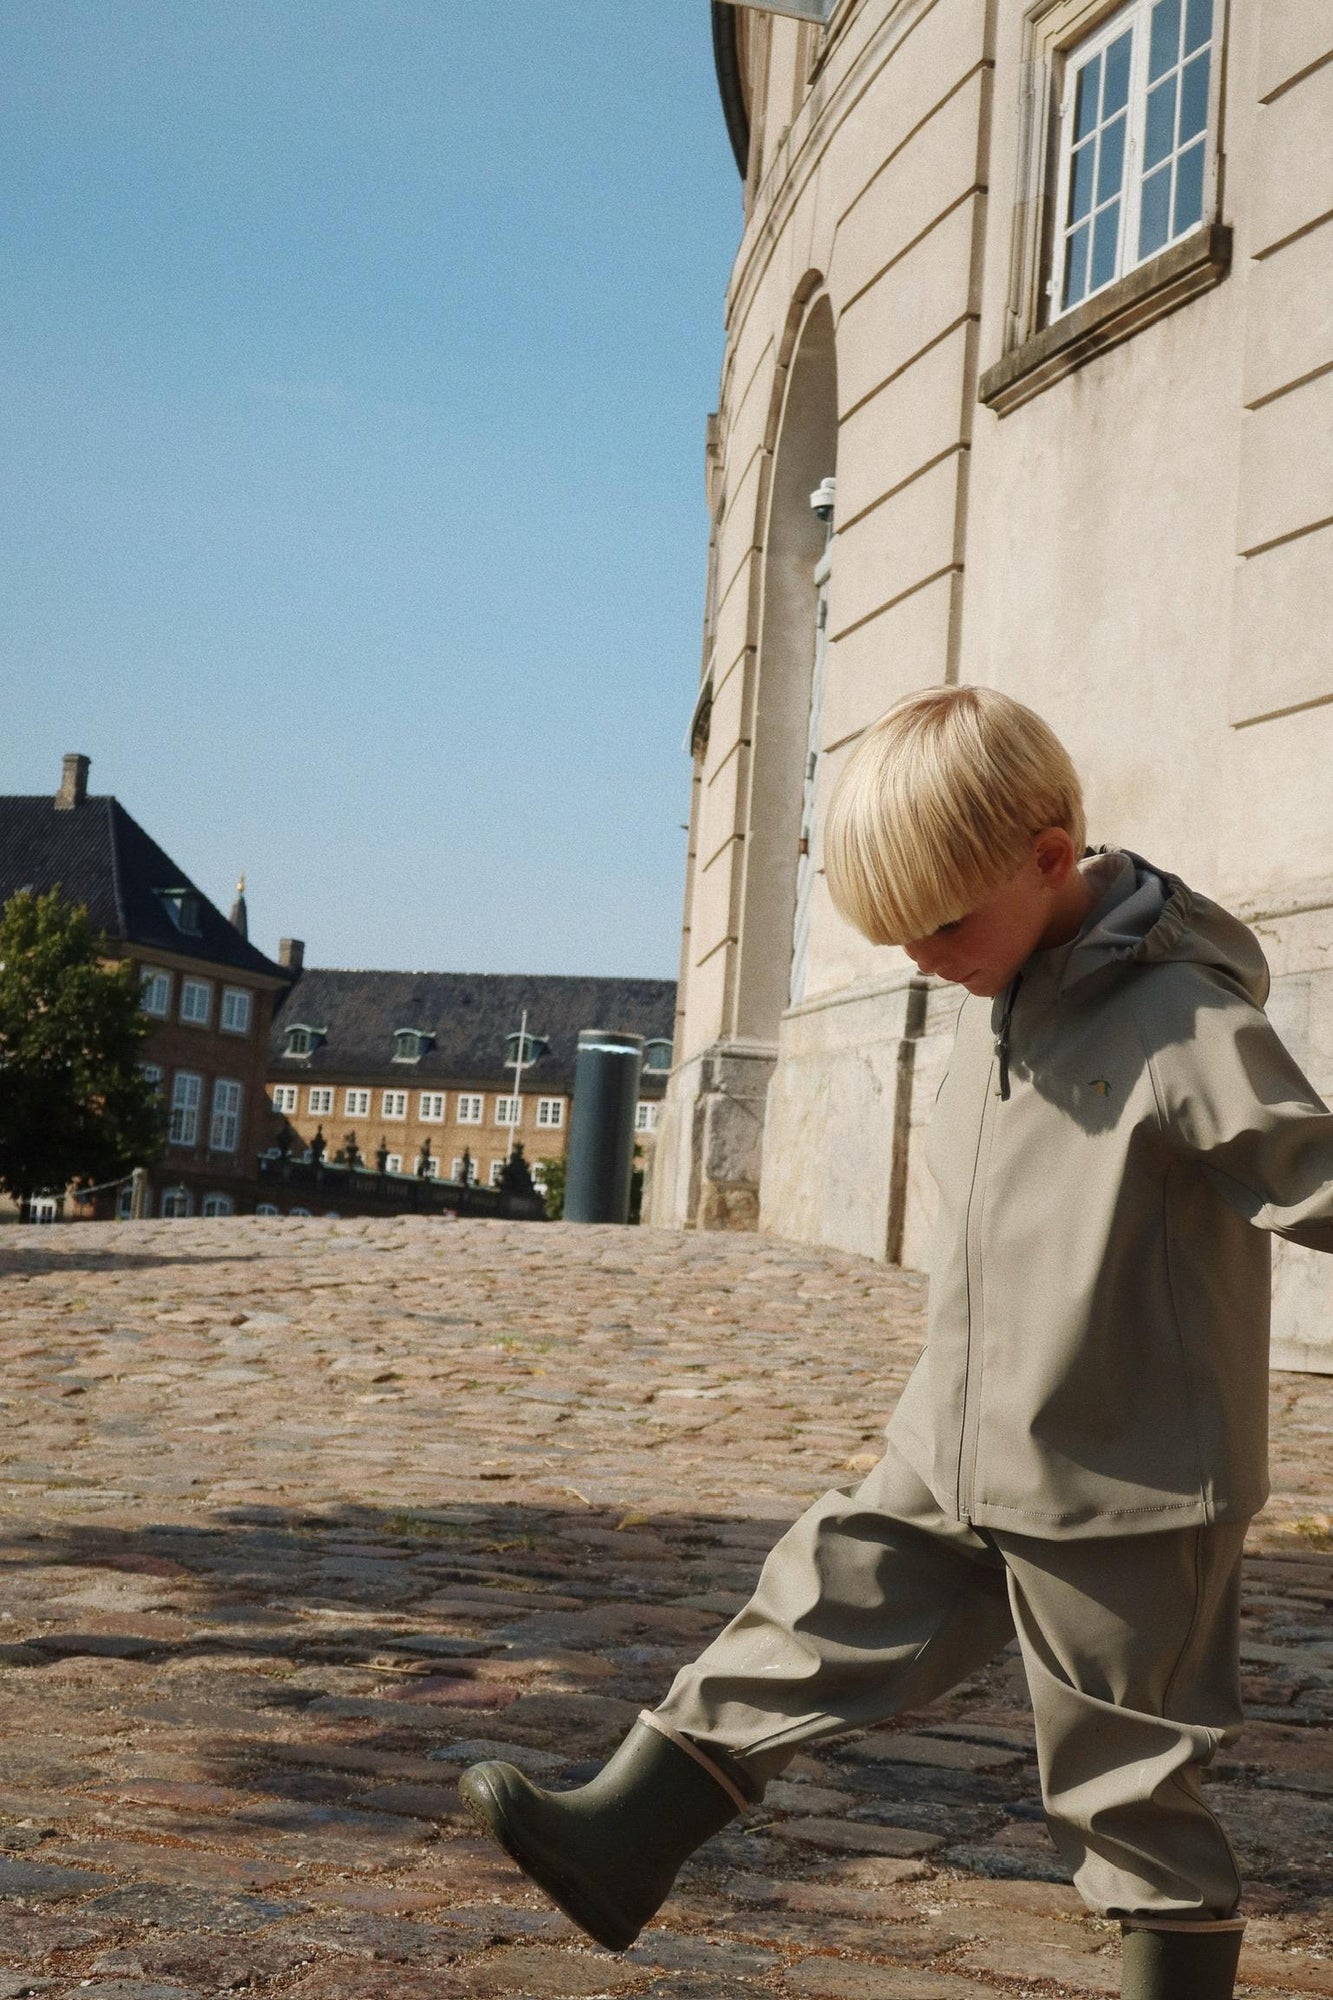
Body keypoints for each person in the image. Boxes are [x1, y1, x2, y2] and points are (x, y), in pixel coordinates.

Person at [461, 687, 1333, 1999]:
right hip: (956, 1442)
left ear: (1049, 859)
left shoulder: (1177, 1017)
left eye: (941, 925)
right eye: (898, 934)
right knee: (815, 1603)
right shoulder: (1010, 982)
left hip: (1123, 1481)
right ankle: (622, 1838)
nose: (923, 958)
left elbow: (1307, 1166)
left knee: (1125, 1767)